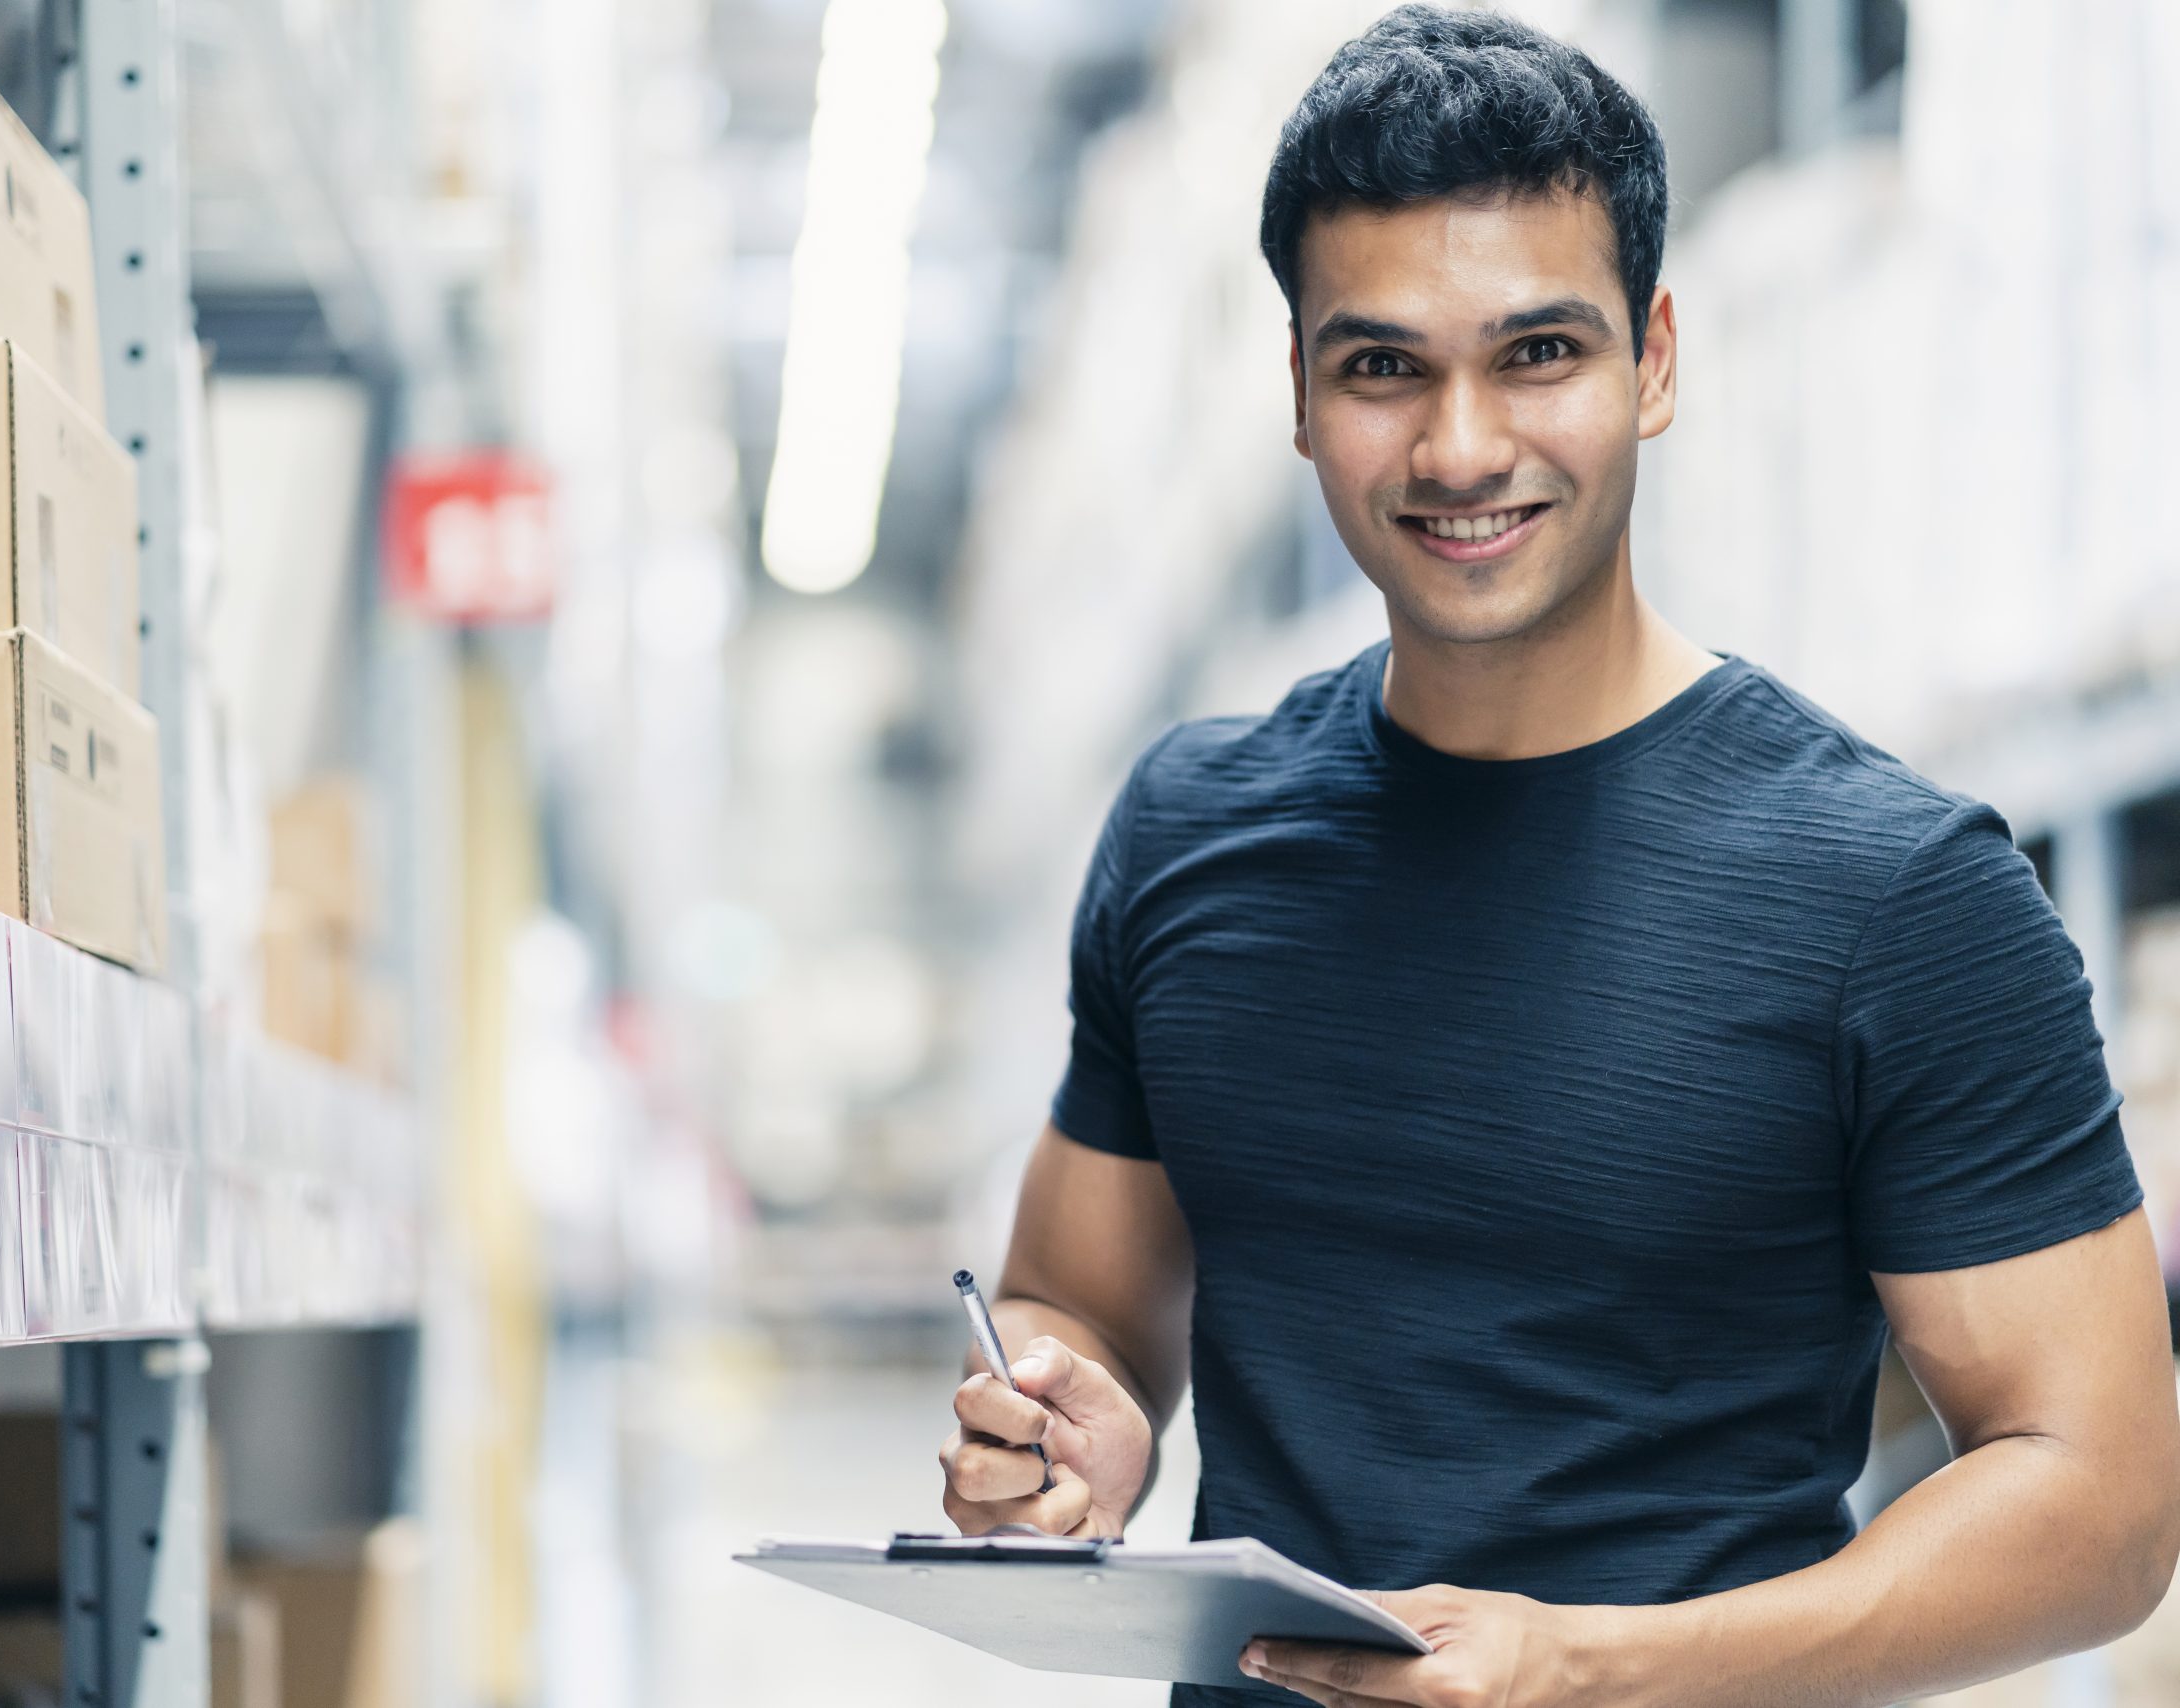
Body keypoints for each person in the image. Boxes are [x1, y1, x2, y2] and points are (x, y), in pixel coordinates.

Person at [933, 8, 2180, 1706]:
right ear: (1298, 390)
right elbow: (1078, 1291)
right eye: (1384, 366)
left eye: (1538, 354)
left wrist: (1600, 1669)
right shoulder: (1191, 832)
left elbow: (2102, 1502)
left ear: (1655, 361)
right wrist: (1073, 1414)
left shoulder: (1895, 892)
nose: (1461, 448)